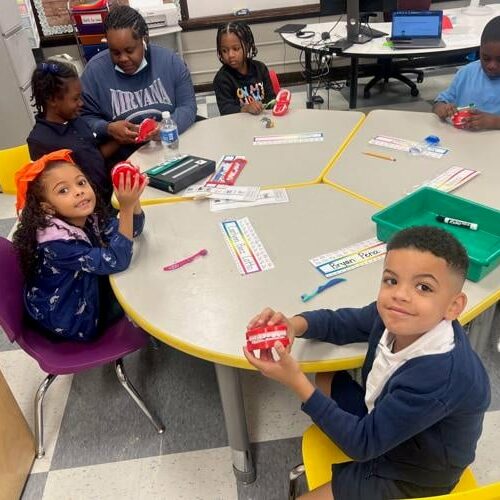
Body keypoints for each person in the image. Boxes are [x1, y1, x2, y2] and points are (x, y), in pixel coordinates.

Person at [244, 226, 490, 500]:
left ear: (454, 306)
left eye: (423, 287)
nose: (400, 295)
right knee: (326, 377)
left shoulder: (438, 376)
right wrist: (294, 324)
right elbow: (342, 322)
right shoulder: (396, 315)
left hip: (413, 472)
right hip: (385, 420)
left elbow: (363, 445)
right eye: (391, 280)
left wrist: (295, 381)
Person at [12, 149, 147, 342]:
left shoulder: (86, 218)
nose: (78, 191)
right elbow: (117, 261)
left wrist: (133, 200)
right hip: (72, 319)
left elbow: (133, 230)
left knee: (137, 274)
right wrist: (124, 207)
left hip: (84, 288)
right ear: (48, 208)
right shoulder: (57, 244)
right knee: (139, 295)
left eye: (81, 182)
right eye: (63, 190)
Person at [80, 5, 197, 161]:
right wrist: (107, 129)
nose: (122, 58)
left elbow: (188, 105)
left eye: (129, 51)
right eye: (115, 52)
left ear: (144, 40)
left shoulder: (170, 62)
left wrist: (168, 125)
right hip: (124, 159)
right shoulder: (94, 72)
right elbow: (84, 119)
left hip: (170, 149)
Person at [28, 60, 118, 202]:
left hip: (108, 197)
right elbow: (49, 193)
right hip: (85, 211)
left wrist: (121, 140)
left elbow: (94, 155)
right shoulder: (40, 141)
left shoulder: (77, 120)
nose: (81, 103)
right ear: (52, 100)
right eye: (75, 99)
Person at [433, 15, 500, 130]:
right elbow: (440, 102)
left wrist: (494, 122)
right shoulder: (467, 73)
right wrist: (442, 108)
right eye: (486, 58)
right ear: (480, 50)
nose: (492, 66)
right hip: (462, 141)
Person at [213, 21, 276, 116]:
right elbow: (226, 110)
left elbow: (271, 98)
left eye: (236, 49)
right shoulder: (221, 79)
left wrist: (278, 102)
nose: (230, 55)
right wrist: (246, 108)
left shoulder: (260, 68)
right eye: (224, 50)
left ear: (247, 46)